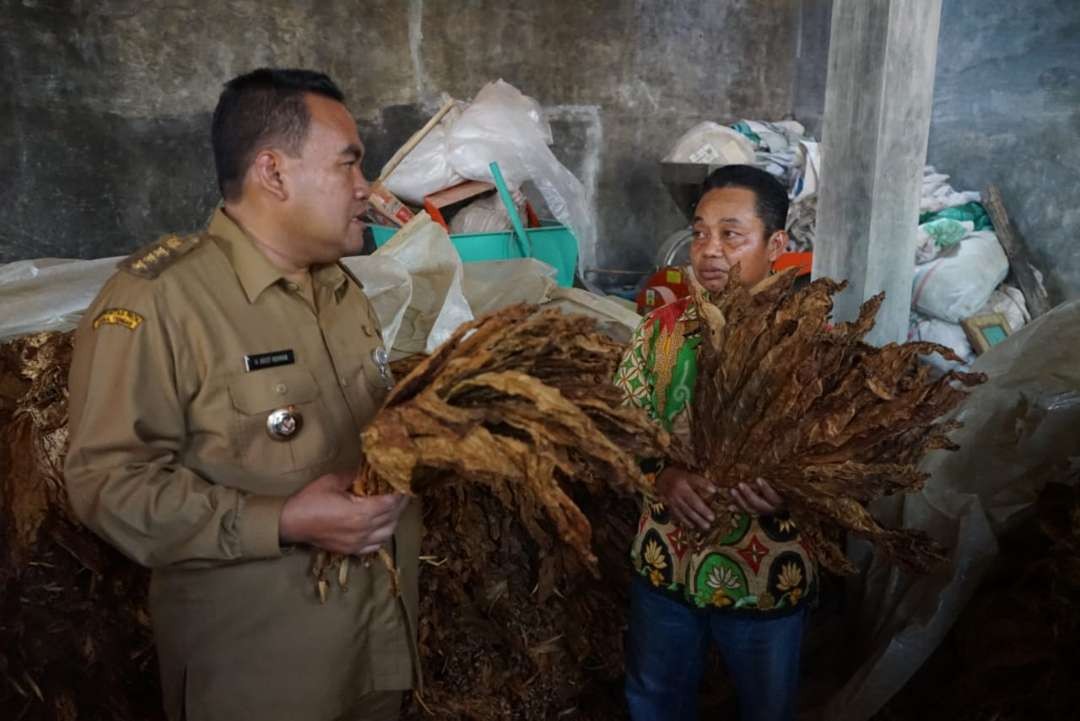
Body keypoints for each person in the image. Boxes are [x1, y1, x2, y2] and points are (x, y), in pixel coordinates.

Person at [64, 69, 419, 721]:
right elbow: (104, 482)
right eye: (349, 165)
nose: (367, 189)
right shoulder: (159, 300)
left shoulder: (342, 292)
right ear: (274, 173)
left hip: (372, 655)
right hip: (262, 680)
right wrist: (281, 519)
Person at [615, 165, 815, 721]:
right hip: (665, 568)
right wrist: (663, 476)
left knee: (766, 709)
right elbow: (616, 429)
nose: (709, 250)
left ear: (776, 244)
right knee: (654, 702)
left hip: (766, 577)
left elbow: (848, 458)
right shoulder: (661, 330)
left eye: (731, 234)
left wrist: (792, 489)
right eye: (700, 232)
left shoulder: (810, 342)